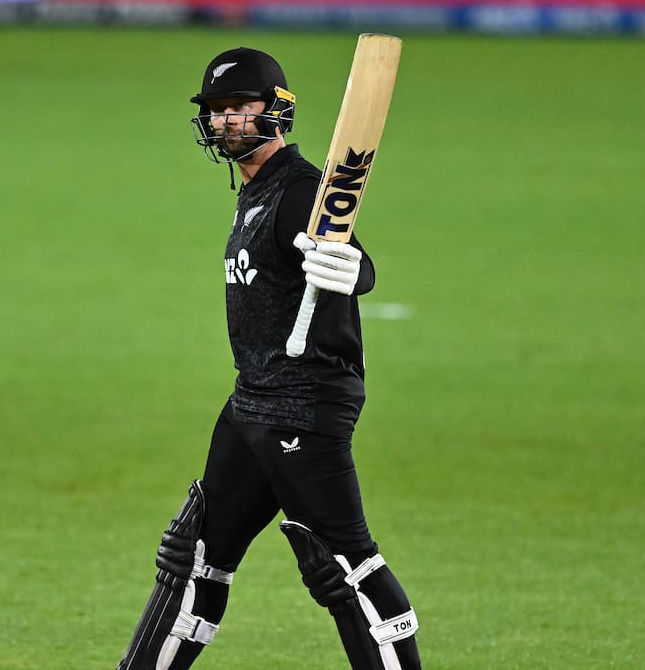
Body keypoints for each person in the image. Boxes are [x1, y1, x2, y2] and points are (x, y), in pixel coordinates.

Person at [115, 47, 421, 670]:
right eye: (217, 109)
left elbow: (350, 255)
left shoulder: (301, 190)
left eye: (240, 106)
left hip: (304, 406)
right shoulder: (256, 190)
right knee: (194, 557)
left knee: (344, 568)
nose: (226, 119)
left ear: (275, 111)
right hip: (252, 400)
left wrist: (353, 271)